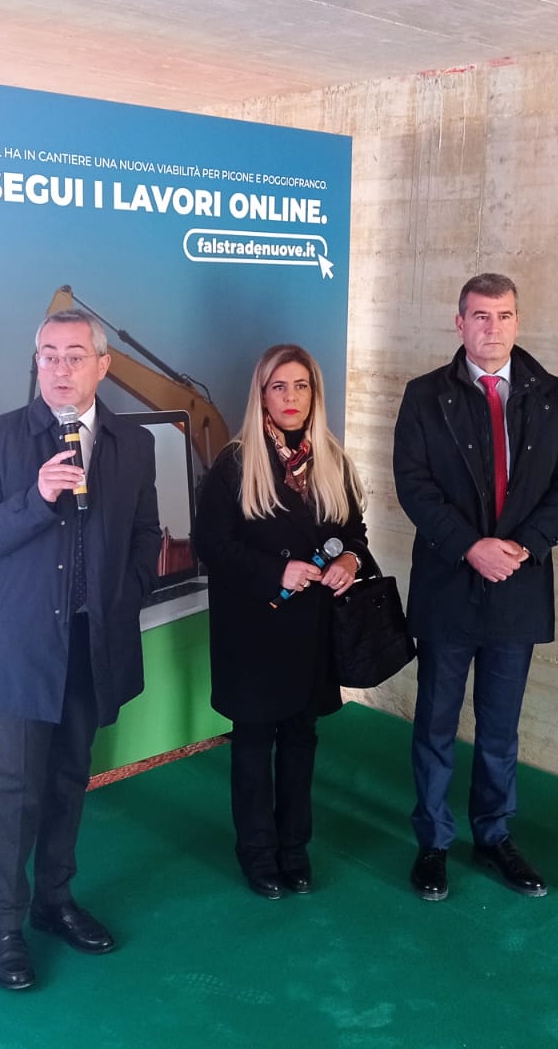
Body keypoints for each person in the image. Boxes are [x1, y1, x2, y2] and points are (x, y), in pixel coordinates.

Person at [0, 308, 160, 991]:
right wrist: (35, 498)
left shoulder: (133, 443)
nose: (60, 368)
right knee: (15, 789)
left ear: (103, 365)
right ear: (36, 362)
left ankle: (54, 900)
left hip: (93, 644)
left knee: (70, 777)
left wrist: (125, 594)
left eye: (74, 355)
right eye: (48, 355)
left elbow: (146, 534)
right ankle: (5, 927)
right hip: (20, 651)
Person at [392, 273, 558, 901]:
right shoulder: (425, 395)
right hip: (449, 583)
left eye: (503, 316)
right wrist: (469, 546)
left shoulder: (551, 394)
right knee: (435, 722)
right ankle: (433, 841)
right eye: (480, 316)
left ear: (517, 321)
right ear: (459, 323)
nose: (492, 328)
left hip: (518, 584)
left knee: (500, 727)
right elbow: (413, 483)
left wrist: (525, 546)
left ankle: (495, 835)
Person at [193, 344, 369, 899]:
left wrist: (349, 561)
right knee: (253, 742)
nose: (290, 397)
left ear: (314, 393)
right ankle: (257, 852)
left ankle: (295, 849)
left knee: (301, 738)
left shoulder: (333, 460)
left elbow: (355, 532)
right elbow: (211, 546)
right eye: (278, 387)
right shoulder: (235, 463)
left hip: (312, 631)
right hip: (253, 631)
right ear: (262, 395)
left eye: (300, 386)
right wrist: (277, 571)